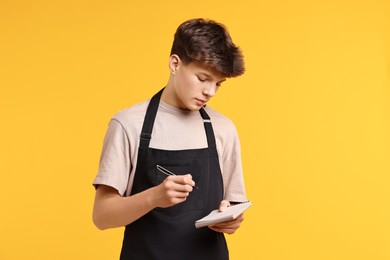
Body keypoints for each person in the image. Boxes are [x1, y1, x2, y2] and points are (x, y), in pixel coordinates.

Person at [92, 18, 248, 260]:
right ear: (175, 63)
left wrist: (231, 220)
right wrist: (155, 197)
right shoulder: (128, 124)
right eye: (203, 78)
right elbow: (102, 216)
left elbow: (235, 207)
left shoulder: (223, 129)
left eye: (219, 84)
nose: (210, 92)